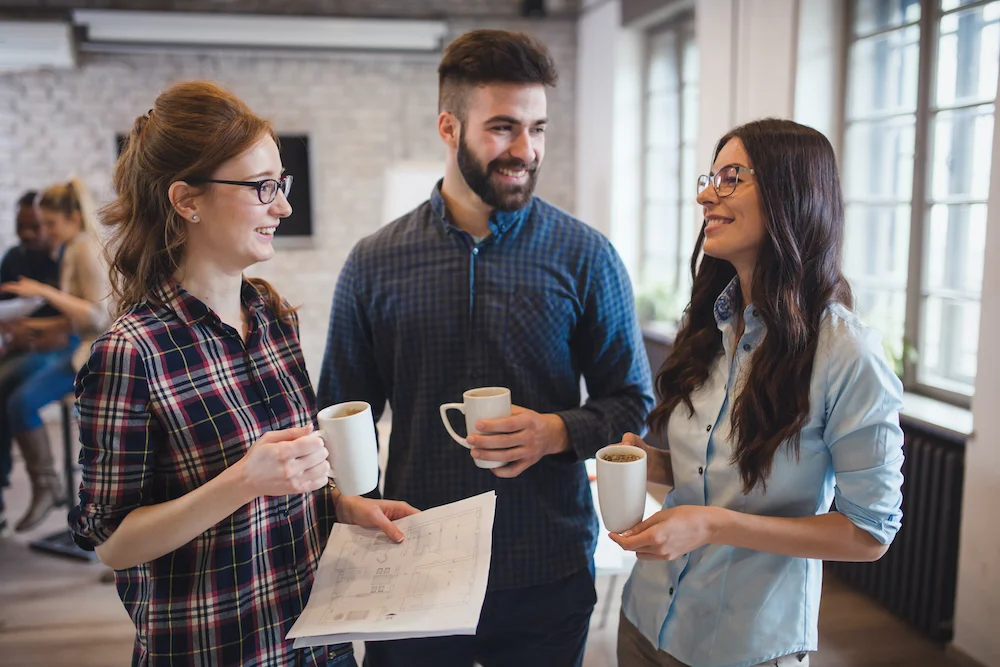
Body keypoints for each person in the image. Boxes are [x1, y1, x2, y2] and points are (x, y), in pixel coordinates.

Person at [318, 29, 654, 667]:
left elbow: (632, 400)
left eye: (538, 128)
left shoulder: (586, 255)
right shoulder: (374, 262)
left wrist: (556, 430)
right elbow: (340, 407)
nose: (525, 149)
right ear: (449, 126)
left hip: (546, 564)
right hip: (411, 561)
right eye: (503, 127)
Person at [70, 80, 418, 667]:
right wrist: (244, 480)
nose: (282, 206)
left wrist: (339, 505)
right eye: (262, 188)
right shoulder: (130, 354)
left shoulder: (272, 316)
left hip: (318, 641)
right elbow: (113, 544)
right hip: (219, 651)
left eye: (281, 184)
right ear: (187, 200)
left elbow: (288, 482)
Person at [611, 119, 905, 667]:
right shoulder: (711, 325)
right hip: (646, 618)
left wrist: (714, 525)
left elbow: (870, 534)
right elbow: (711, 474)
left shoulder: (848, 355)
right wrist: (650, 464)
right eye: (709, 177)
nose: (705, 194)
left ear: (790, 193)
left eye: (730, 178)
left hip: (743, 645)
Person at [0, 179, 110, 532]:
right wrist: (31, 329)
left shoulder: (84, 248)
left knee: (22, 402)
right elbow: (73, 318)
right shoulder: (71, 247)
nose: (45, 230)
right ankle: (47, 486)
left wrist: (43, 291)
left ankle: (47, 486)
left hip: (93, 356)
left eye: (50, 223)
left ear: (73, 217)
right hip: (81, 348)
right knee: (17, 398)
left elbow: (97, 315)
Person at [0, 191, 64, 535]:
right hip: (22, 345)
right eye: (20, 225)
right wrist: (13, 334)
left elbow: (86, 318)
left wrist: (34, 330)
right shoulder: (13, 258)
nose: (27, 233)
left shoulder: (65, 256)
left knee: (15, 394)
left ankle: (46, 483)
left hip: (61, 345)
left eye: (36, 226)